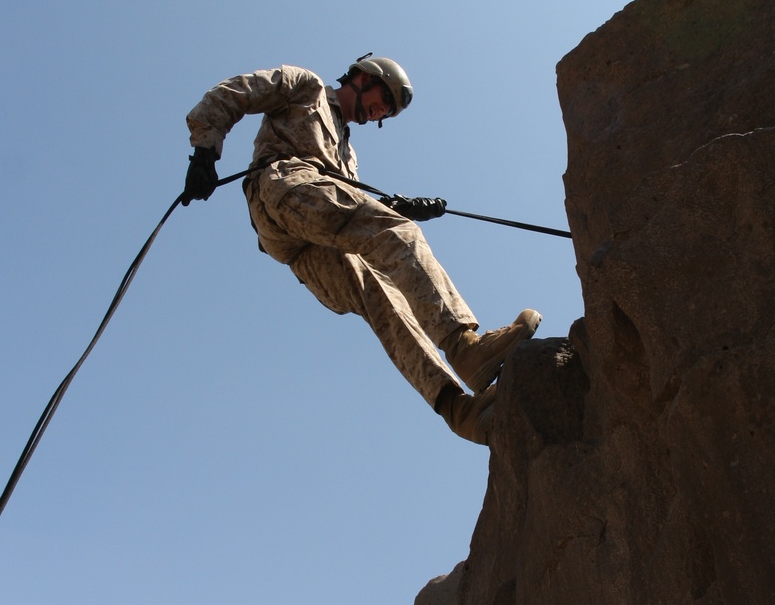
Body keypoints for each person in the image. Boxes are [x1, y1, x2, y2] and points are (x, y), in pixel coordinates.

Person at [181, 56, 540, 445]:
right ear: (365, 78)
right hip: (283, 186)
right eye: (385, 100)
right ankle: (464, 347)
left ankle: (460, 412)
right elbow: (237, 92)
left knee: (384, 298)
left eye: (388, 112)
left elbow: (352, 211)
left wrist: (402, 207)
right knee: (397, 233)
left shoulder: (349, 158)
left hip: (308, 251)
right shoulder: (306, 87)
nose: (381, 112)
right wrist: (205, 150)